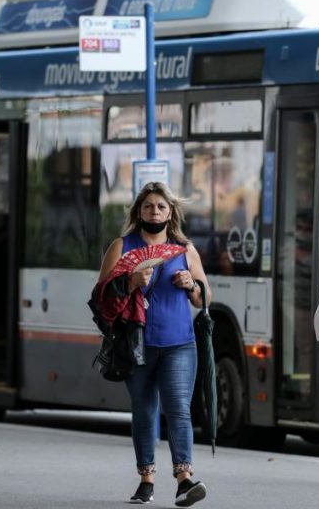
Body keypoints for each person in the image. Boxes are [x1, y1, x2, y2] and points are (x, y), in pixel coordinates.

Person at [98, 182, 210, 507]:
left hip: (179, 343)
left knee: (178, 408)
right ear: (138, 211)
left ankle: (184, 479)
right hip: (137, 343)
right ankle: (146, 478)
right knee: (145, 411)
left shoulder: (184, 249)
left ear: (171, 212)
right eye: (148, 206)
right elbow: (101, 296)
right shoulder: (123, 246)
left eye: (161, 206)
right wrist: (129, 281)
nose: (155, 212)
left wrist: (192, 285)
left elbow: (205, 297)